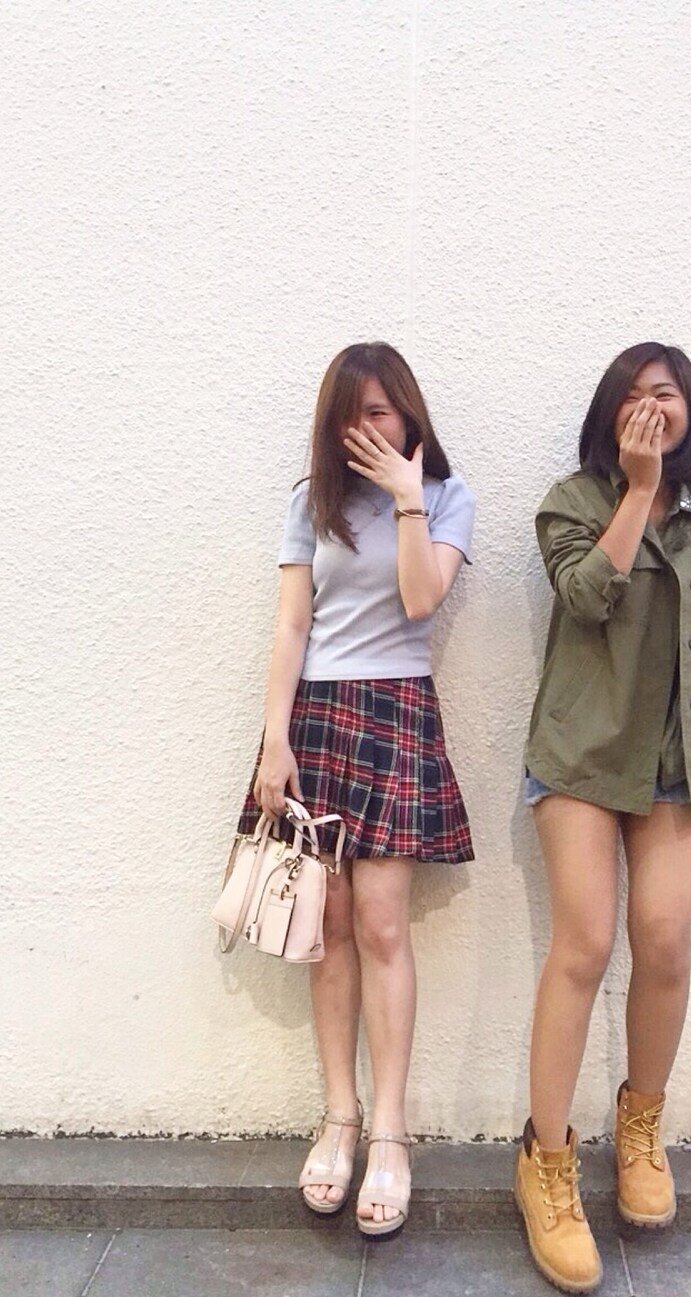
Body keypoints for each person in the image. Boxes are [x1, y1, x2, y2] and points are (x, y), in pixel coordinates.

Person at [514, 343, 691, 1292]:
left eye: (666, 394)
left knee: (663, 939)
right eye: (631, 396)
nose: (649, 407)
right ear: (607, 416)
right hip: (581, 751)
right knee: (583, 944)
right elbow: (584, 595)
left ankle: (641, 1126)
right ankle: (547, 1162)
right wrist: (639, 489)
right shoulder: (574, 500)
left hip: (673, 760)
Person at [237, 342, 475, 1236]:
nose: (367, 428)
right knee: (327, 926)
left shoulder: (447, 496)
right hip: (319, 716)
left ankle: (390, 1133)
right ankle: (339, 1116)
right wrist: (274, 741)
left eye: (381, 411)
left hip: (397, 707)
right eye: (352, 416)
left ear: (408, 415)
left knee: (381, 926)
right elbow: (292, 625)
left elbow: (420, 602)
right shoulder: (312, 502)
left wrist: (409, 497)